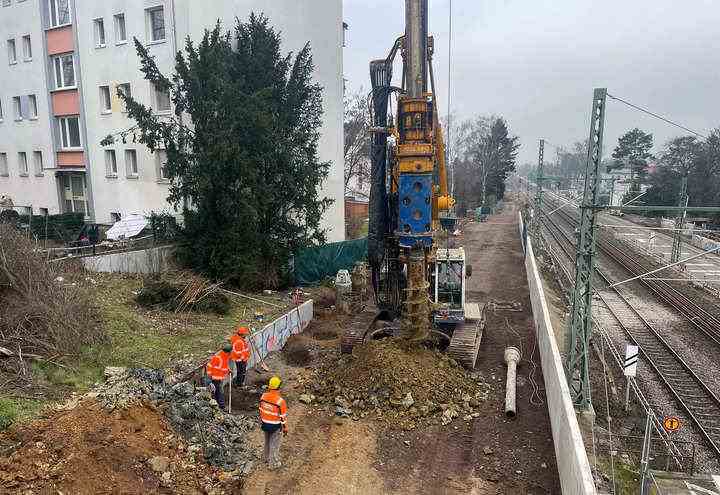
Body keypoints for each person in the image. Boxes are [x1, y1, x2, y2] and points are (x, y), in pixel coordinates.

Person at [259, 376, 288, 469]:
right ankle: (273, 464)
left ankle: (265, 458)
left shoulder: (263, 396)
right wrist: (285, 428)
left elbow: (260, 409)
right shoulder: (280, 401)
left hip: (265, 424)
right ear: (278, 387)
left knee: (267, 441)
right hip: (275, 426)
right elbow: (282, 417)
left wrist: (264, 420)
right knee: (274, 444)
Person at [206, 343, 232, 409]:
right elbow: (209, 366)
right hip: (215, 378)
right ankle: (221, 406)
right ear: (228, 352)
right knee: (219, 392)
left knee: (218, 391)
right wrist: (209, 378)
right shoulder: (218, 358)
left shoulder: (224, 356)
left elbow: (224, 365)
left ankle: (218, 405)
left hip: (219, 378)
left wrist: (228, 369)